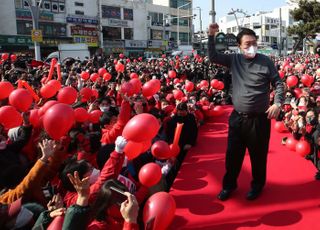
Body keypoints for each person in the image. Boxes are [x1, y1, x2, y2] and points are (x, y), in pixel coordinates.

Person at [208, 24, 284, 200]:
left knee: (258, 157)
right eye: (247, 44)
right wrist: (211, 36)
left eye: (254, 43)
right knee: (232, 156)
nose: (251, 47)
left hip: (259, 120)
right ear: (239, 46)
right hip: (237, 119)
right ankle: (229, 186)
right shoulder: (233, 59)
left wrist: (277, 103)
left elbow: (278, 83)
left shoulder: (265, 61)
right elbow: (213, 57)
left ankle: (257, 185)